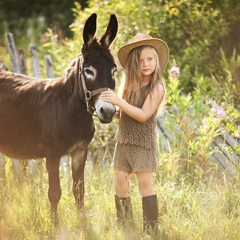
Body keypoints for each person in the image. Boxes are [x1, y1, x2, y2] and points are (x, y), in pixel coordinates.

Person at [101, 33, 169, 235]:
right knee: (120, 185)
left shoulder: (157, 87)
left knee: (145, 186)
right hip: (124, 142)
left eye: (150, 59)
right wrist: (116, 111)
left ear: (156, 61)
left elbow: (142, 115)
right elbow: (128, 112)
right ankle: (126, 230)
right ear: (133, 63)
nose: (146, 64)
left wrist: (119, 101)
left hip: (143, 144)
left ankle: (152, 232)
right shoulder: (129, 84)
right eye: (141, 61)